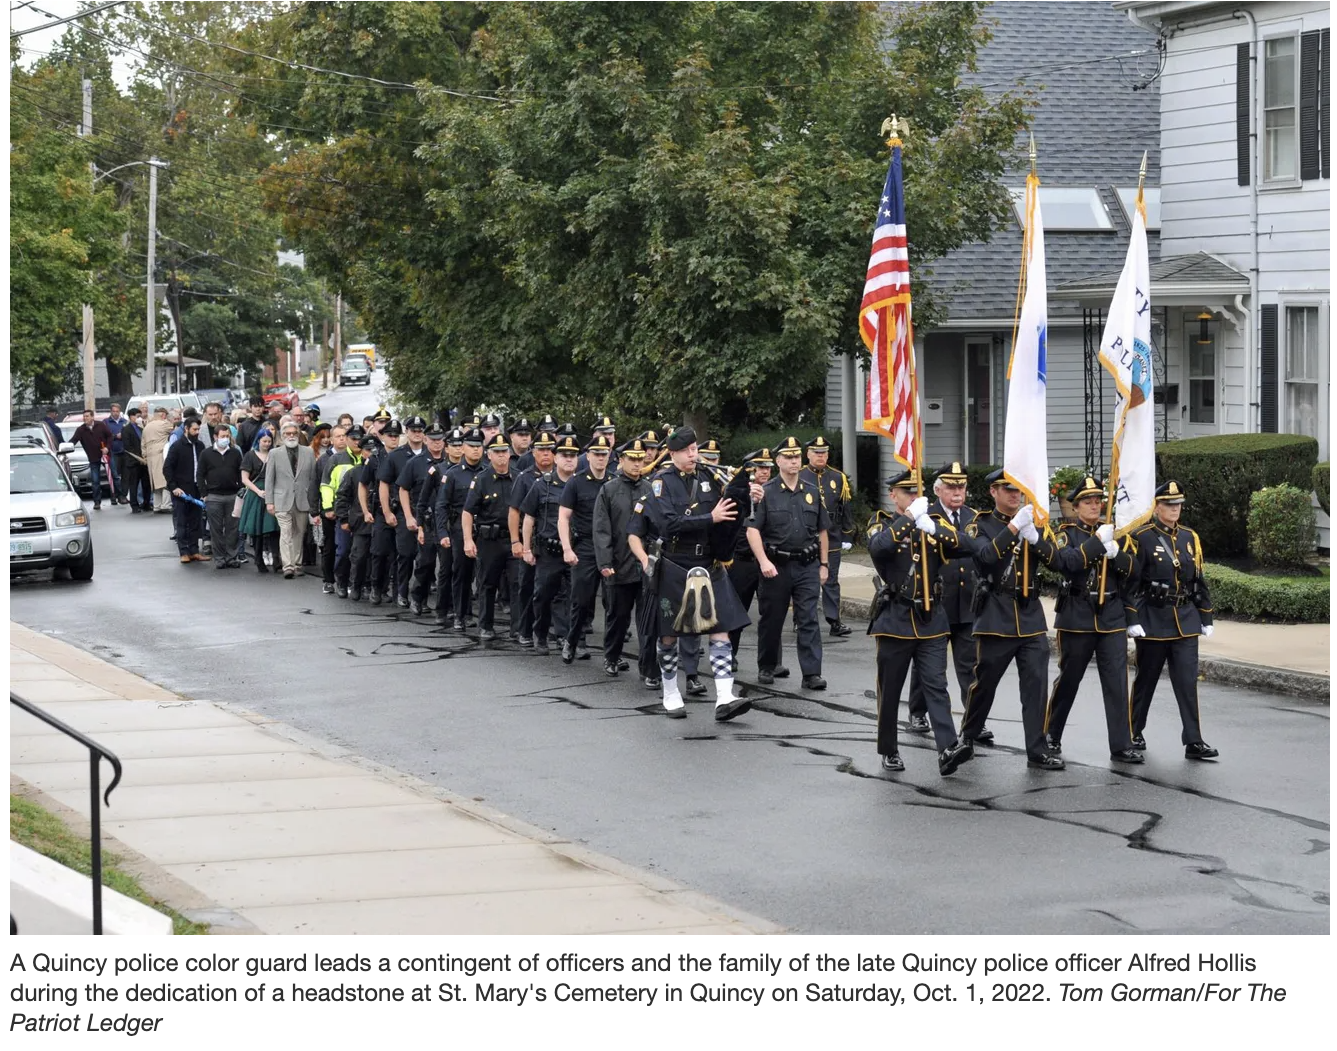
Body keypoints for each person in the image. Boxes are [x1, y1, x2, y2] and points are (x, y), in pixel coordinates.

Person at [958, 470, 1108, 770]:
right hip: (996, 616)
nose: (1015, 495)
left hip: (1029, 616)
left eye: (1018, 490)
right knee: (985, 684)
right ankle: (967, 736)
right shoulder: (980, 525)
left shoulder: (1035, 523)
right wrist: (1014, 527)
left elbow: (1062, 563)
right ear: (993, 492)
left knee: (1036, 686)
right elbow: (986, 556)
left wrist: (1038, 538)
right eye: (1008, 489)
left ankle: (1037, 750)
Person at [630, 426, 754, 720]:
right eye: (686, 450)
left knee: (720, 629)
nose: (692, 454)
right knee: (669, 635)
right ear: (672, 454)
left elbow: (730, 516)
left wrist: (745, 493)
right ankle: (671, 691)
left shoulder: (710, 478)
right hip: (675, 564)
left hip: (709, 564)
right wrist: (710, 517)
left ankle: (724, 696)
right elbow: (669, 525)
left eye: (694, 449)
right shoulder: (660, 484)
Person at [866, 469, 979, 775]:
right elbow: (879, 549)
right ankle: (888, 749)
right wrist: (908, 520)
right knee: (890, 690)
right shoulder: (883, 523)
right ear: (894, 496)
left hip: (932, 619)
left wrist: (930, 526)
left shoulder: (932, 525)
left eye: (917, 494)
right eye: (907, 493)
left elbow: (968, 546)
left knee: (936, 686)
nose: (914, 499)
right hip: (895, 620)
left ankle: (947, 748)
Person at [1042, 476, 1144, 763]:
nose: (1094, 506)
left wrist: (1117, 556)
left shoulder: (1115, 533)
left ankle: (1121, 744)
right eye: (1088, 501)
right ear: (1075, 506)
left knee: (1116, 682)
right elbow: (1067, 564)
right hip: (1077, 614)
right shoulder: (1066, 532)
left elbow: (1136, 572)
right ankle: (1051, 734)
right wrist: (1098, 544)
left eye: (1098, 501)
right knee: (1069, 679)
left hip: (1111, 616)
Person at [1127, 480, 1219, 760]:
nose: (1175, 509)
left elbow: (1197, 580)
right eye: (1169, 504)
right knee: (1146, 680)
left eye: (1178, 504)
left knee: (1187, 682)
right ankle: (1133, 732)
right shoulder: (1141, 537)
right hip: (1154, 620)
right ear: (1157, 507)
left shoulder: (1190, 537)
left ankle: (1194, 740)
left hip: (1186, 619)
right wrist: (1132, 617)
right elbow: (1131, 582)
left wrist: (1206, 615)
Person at [906, 462, 992, 742]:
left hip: (966, 603)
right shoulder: (925, 516)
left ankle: (973, 719)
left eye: (961, 486)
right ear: (938, 489)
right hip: (936, 602)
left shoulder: (973, 517)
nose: (957, 492)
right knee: (928, 663)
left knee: (969, 664)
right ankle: (918, 712)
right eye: (951, 486)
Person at [747, 437, 828, 689]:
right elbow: (752, 531)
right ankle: (767, 666)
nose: (794, 461)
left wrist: (824, 565)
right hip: (776, 565)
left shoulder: (812, 491)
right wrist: (762, 562)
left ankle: (811, 674)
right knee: (772, 619)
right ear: (778, 461)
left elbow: (823, 530)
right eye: (788, 457)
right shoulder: (767, 493)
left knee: (808, 619)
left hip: (806, 565)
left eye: (796, 457)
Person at [593, 438, 654, 676]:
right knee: (618, 617)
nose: (637, 464)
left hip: (646, 563)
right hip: (618, 562)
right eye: (632, 459)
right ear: (621, 460)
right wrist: (605, 561)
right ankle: (612, 656)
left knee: (647, 620)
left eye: (640, 459)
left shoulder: (649, 489)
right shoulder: (609, 489)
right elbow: (601, 529)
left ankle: (648, 667)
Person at [521, 434, 578, 654]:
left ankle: (567, 637)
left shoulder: (580, 484)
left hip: (575, 549)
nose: (569, 460)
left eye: (573, 456)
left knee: (573, 596)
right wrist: (526, 548)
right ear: (555, 458)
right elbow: (528, 517)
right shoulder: (542, 485)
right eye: (564, 455)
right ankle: (541, 633)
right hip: (549, 551)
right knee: (543, 594)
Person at [559, 433, 614, 663]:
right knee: (581, 599)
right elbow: (563, 518)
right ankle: (573, 640)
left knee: (613, 602)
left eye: (604, 454)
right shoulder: (576, 482)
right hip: (585, 547)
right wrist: (567, 549)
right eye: (597, 454)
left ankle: (613, 652)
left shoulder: (614, 482)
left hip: (611, 549)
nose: (601, 458)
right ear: (588, 456)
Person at [461, 434, 516, 639]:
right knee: (487, 583)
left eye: (504, 452)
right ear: (489, 455)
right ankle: (485, 626)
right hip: (489, 540)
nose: (502, 456)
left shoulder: (518, 477)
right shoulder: (482, 479)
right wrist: (468, 539)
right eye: (497, 452)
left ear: (509, 454)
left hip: (513, 540)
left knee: (517, 584)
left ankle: (517, 629)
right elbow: (467, 512)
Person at [800, 435, 856, 636]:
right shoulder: (799, 475)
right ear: (808, 454)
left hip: (831, 535)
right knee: (806, 581)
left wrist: (848, 535)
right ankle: (803, 618)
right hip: (806, 537)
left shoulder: (837, 477)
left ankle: (834, 621)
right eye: (816, 452)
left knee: (831, 580)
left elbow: (845, 508)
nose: (820, 456)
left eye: (824, 452)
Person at [507, 430, 556, 644]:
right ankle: (523, 629)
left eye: (550, 450)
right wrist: (516, 541)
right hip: (531, 542)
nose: (546, 454)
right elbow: (514, 511)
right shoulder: (524, 478)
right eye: (541, 449)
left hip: (553, 544)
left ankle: (549, 629)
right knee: (526, 586)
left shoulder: (562, 477)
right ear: (533, 453)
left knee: (552, 589)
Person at [727, 449, 774, 673]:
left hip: (768, 559)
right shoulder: (737, 492)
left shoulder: (774, 491)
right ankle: (728, 654)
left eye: (767, 467)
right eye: (759, 467)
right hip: (742, 559)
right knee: (737, 609)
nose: (764, 472)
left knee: (772, 612)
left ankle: (771, 662)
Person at [433, 426, 485, 627]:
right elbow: (441, 505)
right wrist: (442, 532)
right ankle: (460, 614)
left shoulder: (487, 472)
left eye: (478, 446)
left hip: (483, 529)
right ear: (463, 448)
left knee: (481, 574)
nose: (475, 450)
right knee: (461, 573)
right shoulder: (453, 474)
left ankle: (477, 614)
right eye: (471, 446)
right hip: (458, 530)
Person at [264, 420, 317, 579]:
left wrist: (314, 502)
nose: (291, 436)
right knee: (285, 533)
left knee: (299, 533)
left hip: (303, 499)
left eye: (294, 433)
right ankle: (288, 566)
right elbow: (269, 479)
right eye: (288, 433)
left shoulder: (308, 452)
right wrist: (269, 501)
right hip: (282, 500)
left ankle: (297, 564)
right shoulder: (274, 453)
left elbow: (313, 478)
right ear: (282, 435)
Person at [408, 424, 451, 621]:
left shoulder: (450, 465)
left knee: (446, 567)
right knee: (424, 564)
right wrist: (419, 525)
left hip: (448, 524)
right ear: (426, 440)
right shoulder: (420, 464)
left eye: (440, 439)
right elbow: (420, 499)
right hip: (429, 522)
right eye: (433, 439)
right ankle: (418, 598)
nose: (436, 443)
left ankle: (445, 605)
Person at [383, 415, 427, 606]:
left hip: (427, 513)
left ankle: (421, 596)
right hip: (404, 511)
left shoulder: (432, 454)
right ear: (407, 432)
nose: (417, 434)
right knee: (406, 554)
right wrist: (387, 512)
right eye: (413, 430)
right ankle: (401, 592)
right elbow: (384, 484)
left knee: (426, 558)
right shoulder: (396, 456)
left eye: (420, 431)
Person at [364, 420, 402, 604]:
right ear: (383, 437)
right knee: (379, 552)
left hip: (401, 510)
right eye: (390, 435)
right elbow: (363, 485)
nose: (393, 439)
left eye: (396, 435)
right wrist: (365, 510)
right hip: (381, 511)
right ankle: (376, 588)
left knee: (399, 553)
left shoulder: (406, 456)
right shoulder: (375, 458)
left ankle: (396, 591)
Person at [197, 421, 244, 569]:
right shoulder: (206, 453)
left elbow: (240, 473)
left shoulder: (235, 453)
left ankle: (232, 556)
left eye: (227, 436)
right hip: (214, 496)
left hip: (232, 495)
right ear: (215, 437)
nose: (225, 439)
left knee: (232, 528)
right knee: (215, 529)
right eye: (223, 436)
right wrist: (204, 493)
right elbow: (200, 474)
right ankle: (219, 557)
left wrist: (240, 491)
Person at [337, 434, 378, 601]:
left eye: (375, 450)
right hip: (360, 522)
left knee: (377, 557)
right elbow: (342, 496)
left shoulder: (383, 470)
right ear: (362, 452)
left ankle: (372, 586)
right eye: (368, 450)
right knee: (359, 556)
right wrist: (343, 519)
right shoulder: (354, 473)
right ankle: (355, 585)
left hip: (379, 520)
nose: (372, 453)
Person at [327, 428, 367, 597]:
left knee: (361, 554)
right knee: (343, 551)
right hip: (346, 515)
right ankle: (341, 582)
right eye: (353, 438)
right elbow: (330, 487)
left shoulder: (371, 461)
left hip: (363, 516)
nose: (357, 442)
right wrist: (331, 509)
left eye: (360, 439)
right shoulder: (337, 459)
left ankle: (359, 583)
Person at [163, 416, 207, 562]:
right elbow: (167, 468)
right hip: (181, 490)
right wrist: (174, 487)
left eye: (198, 429)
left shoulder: (200, 446)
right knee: (182, 521)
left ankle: (194, 550)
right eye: (194, 429)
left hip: (196, 489)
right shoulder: (176, 447)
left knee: (196, 521)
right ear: (186, 429)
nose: (197, 432)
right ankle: (183, 552)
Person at [239, 428, 280, 573]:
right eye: (264, 441)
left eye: (269, 441)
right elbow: (244, 478)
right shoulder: (250, 455)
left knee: (275, 528)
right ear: (258, 441)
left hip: (273, 492)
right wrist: (258, 491)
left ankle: (277, 560)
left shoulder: (275, 454)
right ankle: (258, 559)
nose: (267, 444)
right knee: (257, 529)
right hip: (256, 494)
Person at [71, 409, 113, 509]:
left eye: (87, 416)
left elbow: (110, 436)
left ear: (92, 417)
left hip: (106, 456)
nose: (85, 418)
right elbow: (73, 441)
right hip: (93, 458)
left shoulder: (101, 425)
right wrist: (65, 446)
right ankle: (97, 502)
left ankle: (117, 497)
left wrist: (107, 448)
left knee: (114, 476)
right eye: (84, 416)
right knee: (95, 481)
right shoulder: (81, 430)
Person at [118, 407, 151, 513]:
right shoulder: (126, 429)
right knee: (134, 484)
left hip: (144, 461)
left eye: (140, 417)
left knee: (146, 484)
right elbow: (128, 447)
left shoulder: (141, 428)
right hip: (133, 461)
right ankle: (134, 505)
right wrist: (139, 457)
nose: (139, 419)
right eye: (137, 417)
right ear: (131, 417)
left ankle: (146, 503)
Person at [142, 405, 173, 512]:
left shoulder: (147, 427)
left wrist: (145, 456)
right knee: (165, 480)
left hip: (150, 457)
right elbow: (175, 429)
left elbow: (143, 444)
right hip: (161, 455)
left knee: (155, 483)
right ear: (163, 415)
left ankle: (157, 505)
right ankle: (166, 505)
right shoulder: (164, 424)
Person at [103, 403, 129, 503]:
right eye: (113, 411)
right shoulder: (106, 422)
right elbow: (104, 436)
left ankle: (123, 495)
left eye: (117, 411)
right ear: (111, 411)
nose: (115, 413)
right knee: (114, 475)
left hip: (124, 451)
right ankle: (114, 495)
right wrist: (115, 436)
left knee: (126, 476)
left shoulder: (125, 422)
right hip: (112, 452)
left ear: (120, 412)